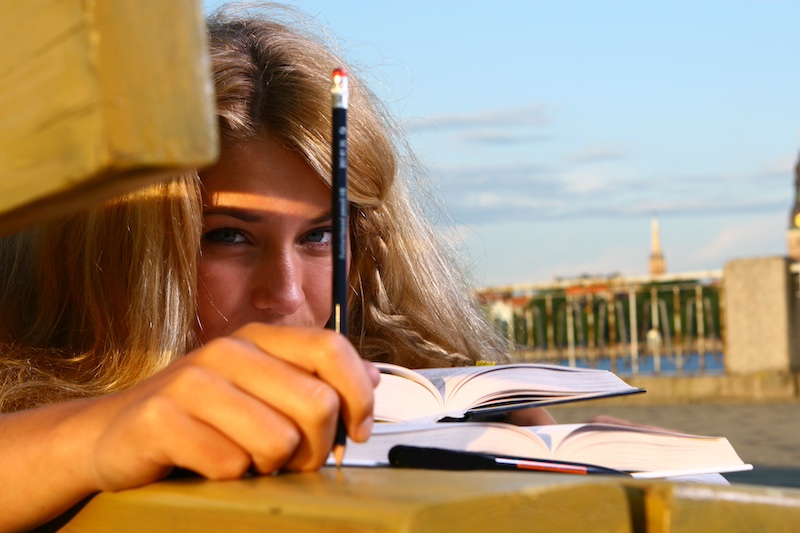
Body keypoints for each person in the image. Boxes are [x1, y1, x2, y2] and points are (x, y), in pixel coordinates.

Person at [0, 4, 551, 531]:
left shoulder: (426, 402)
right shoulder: (33, 409)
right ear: (117, 258)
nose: (285, 294)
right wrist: (101, 435)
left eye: (319, 236)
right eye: (228, 236)